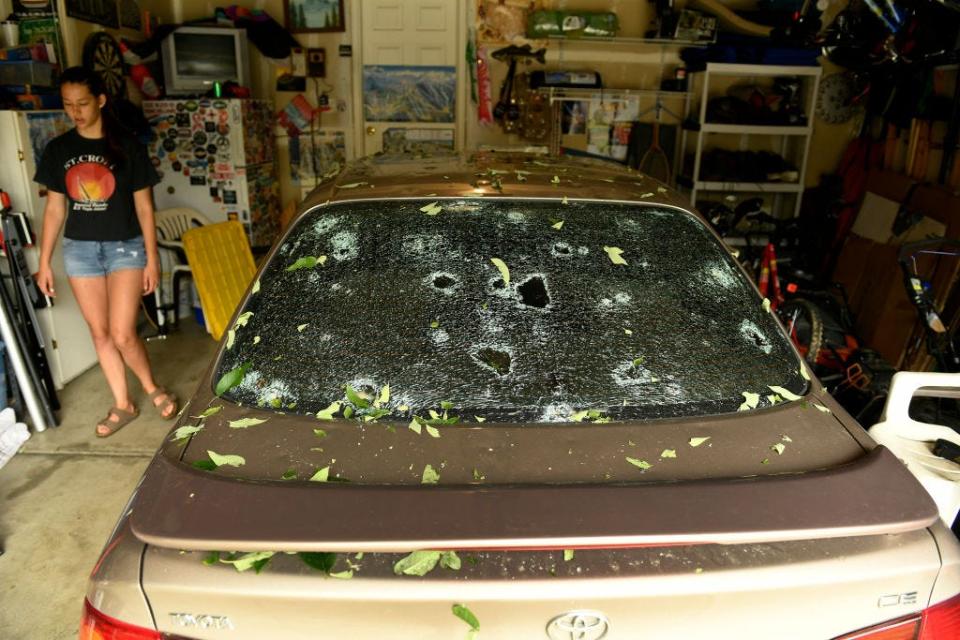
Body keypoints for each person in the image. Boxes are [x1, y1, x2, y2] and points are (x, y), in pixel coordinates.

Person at [33, 66, 177, 437]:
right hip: (79, 250)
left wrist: (151, 256)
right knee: (99, 333)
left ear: (100, 100)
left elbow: (145, 208)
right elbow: (54, 210)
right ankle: (123, 404)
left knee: (123, 332)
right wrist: (44, 262)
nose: (76, 111)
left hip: (124, 247)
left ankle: (151, 387)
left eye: (82, 103)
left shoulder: (127, 145)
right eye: (68, 105)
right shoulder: (59, 150)